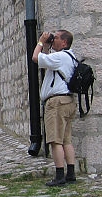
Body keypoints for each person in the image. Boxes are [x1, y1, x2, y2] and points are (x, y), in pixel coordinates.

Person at [31, 30, 78, 186]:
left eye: (56, 38)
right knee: (66, 140)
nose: (54, 39)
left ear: (64, 42)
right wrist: (47, 45)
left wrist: (39, 41)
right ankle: (70, 174)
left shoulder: (61, 57)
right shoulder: (70, 57)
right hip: (68, 101)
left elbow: (36, 58)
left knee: (55, 140)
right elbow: (47, 60)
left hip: (57, 103)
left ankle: (59, 176)